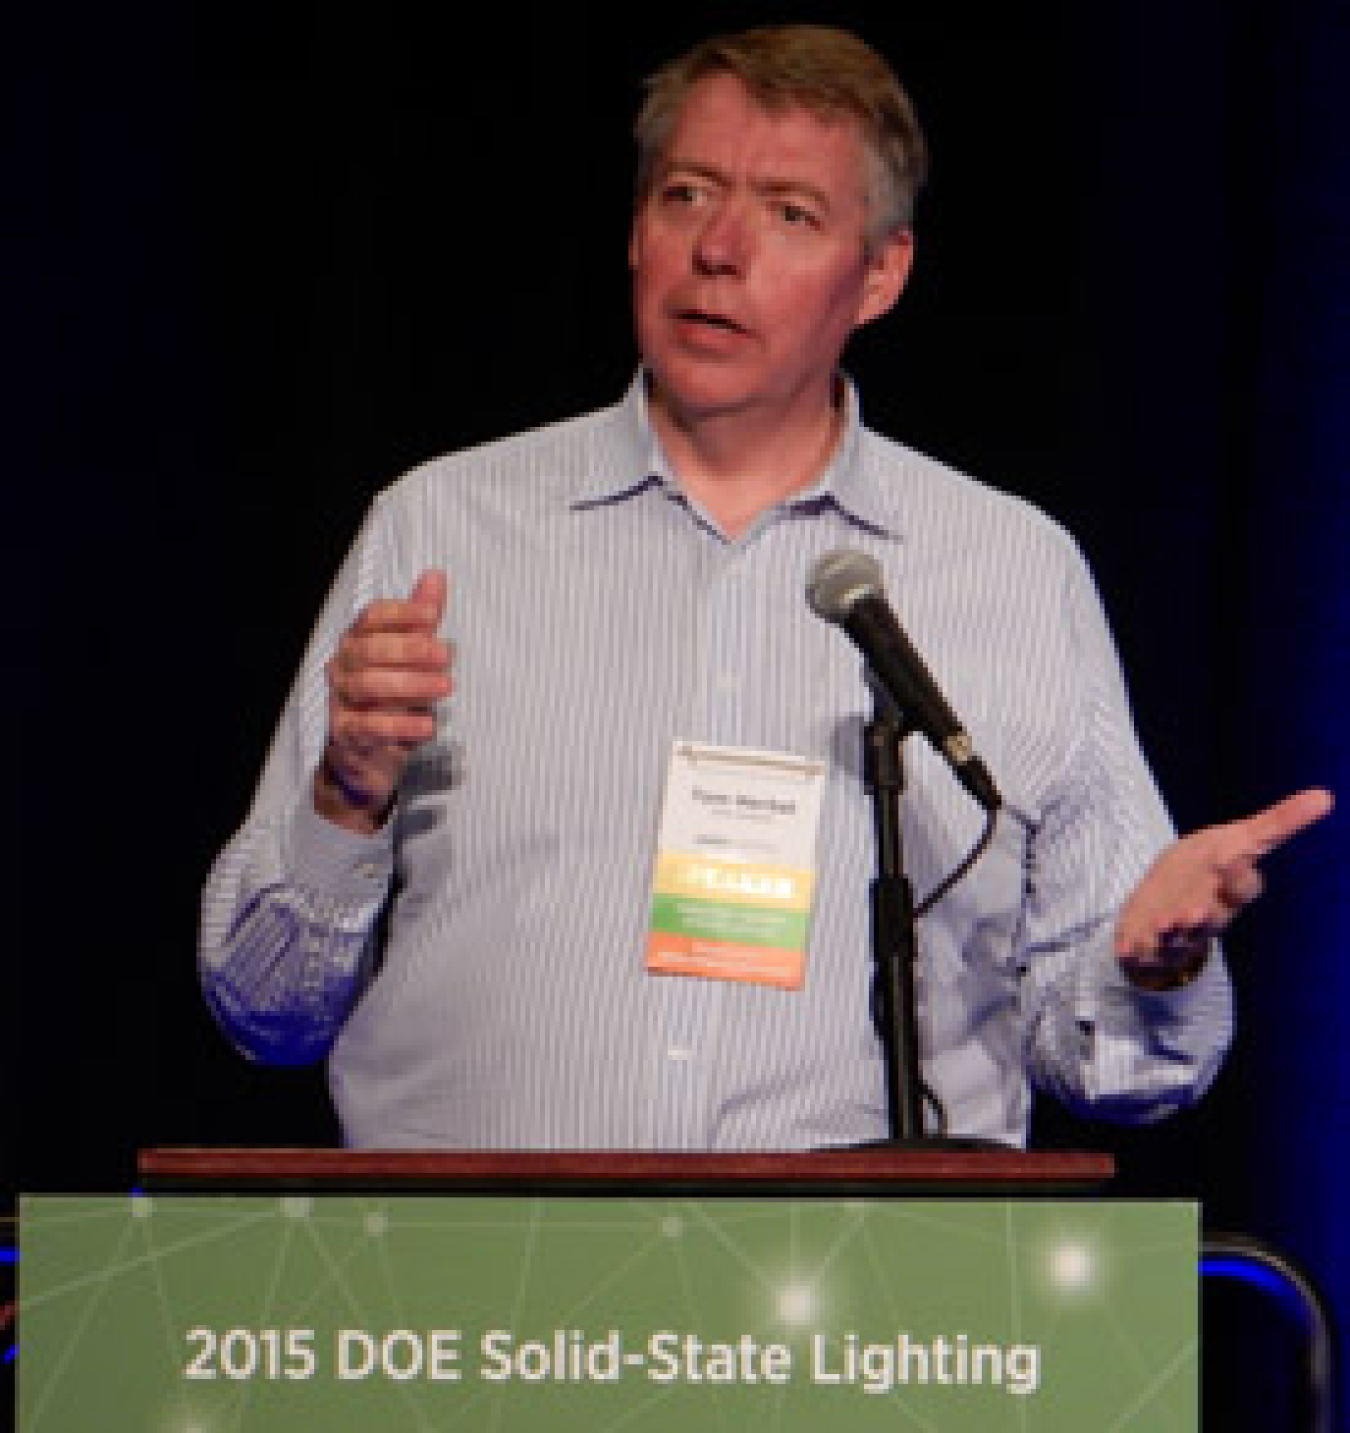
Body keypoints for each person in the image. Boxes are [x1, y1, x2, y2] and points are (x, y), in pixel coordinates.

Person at [199, 25, 1331, 1150]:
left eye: (791, 213)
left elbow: (1114, 1063)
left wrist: (1154, 963)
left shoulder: (1013, 569)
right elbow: (263, 1006)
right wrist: (347, 799)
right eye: (688, 195)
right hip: (487, 1304)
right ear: (637, 229)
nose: (721, 248)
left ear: (879, 274)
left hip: (857, 1308)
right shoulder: (445, 528)